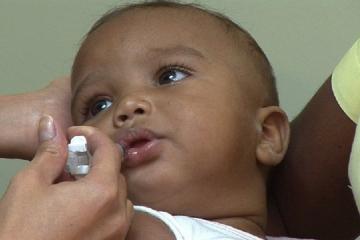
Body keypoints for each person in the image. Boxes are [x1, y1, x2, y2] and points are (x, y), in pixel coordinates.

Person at [0, 1, 359, 239]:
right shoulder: (135, 229)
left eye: (169, 76)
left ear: (267, 134)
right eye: (99, 105)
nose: (128, 105)